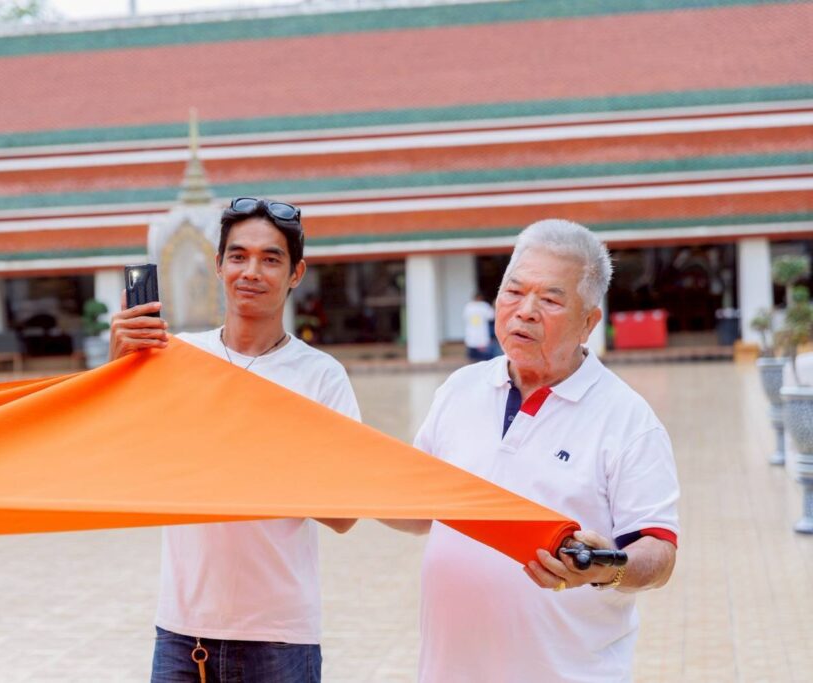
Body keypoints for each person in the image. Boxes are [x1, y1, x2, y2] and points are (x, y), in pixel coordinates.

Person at [386, 219, 679, 682]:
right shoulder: (460, 389)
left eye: (550, 300)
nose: (524, 311)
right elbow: (421, 510)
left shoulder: (628, 420)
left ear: (588, 322)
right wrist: (348, 483)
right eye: (514, 291)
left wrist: (605, 567)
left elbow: (659, 554)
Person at [109, 197, 361, 683]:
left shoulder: (321, 376)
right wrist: (118, 371)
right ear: (218, 265)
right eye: (239, 256)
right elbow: (124, 459)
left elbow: (345, 514)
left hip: (280, 637)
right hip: (182, 633)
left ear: (296, 273)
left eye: (271, 259)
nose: (251, 272)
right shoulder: (174, 358)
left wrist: (248, 448)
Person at [463, 292, 495, 362]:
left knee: (472, 354)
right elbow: (491, 316)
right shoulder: (484, 306)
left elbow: (465, 317)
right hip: (482, 333)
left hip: (471, 333)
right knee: (483, 355)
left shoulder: (468, 306)